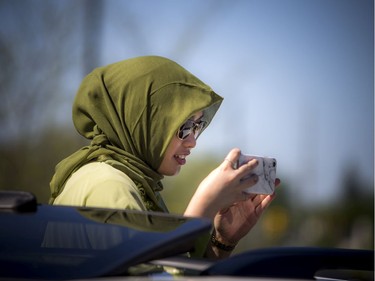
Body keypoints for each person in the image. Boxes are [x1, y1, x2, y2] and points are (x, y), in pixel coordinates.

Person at [49, 55, 280, 259]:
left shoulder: (134, 183)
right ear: (144, 122)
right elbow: (155, 277)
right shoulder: (110, 188)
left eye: (197, 126)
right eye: (184, 126)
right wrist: (205, 205)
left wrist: (223, 241)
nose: (192, 141)